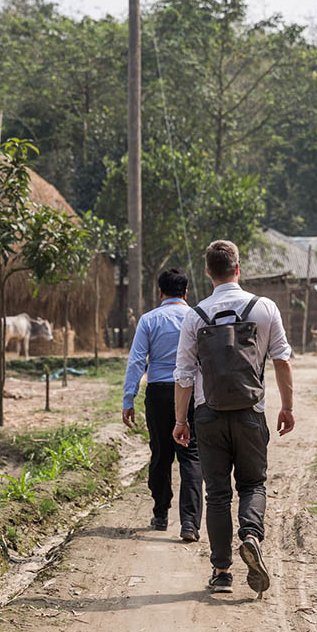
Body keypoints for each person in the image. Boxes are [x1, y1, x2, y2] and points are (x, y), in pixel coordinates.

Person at [173, 240, 295, 595]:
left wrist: (181, 421)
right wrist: (287, 406)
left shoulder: (195, 315)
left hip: (208, 414)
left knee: (218, 495)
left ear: (208, 272)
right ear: (238, 269)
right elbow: (282, 360)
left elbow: (183, 374)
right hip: (250, 412)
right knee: (253, 484)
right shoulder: (265, 308)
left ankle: (222, 571)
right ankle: (252, 535)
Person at [122, 269, 203, 542]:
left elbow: (136, 361)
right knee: (191, 456)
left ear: (160, 292)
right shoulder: (198, 317)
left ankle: (160, 513)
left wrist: (128, 398)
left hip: (158, 393)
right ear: (186, 292)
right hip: (190, 392)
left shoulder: (149, 320)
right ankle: (190, 523)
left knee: (160, 453)